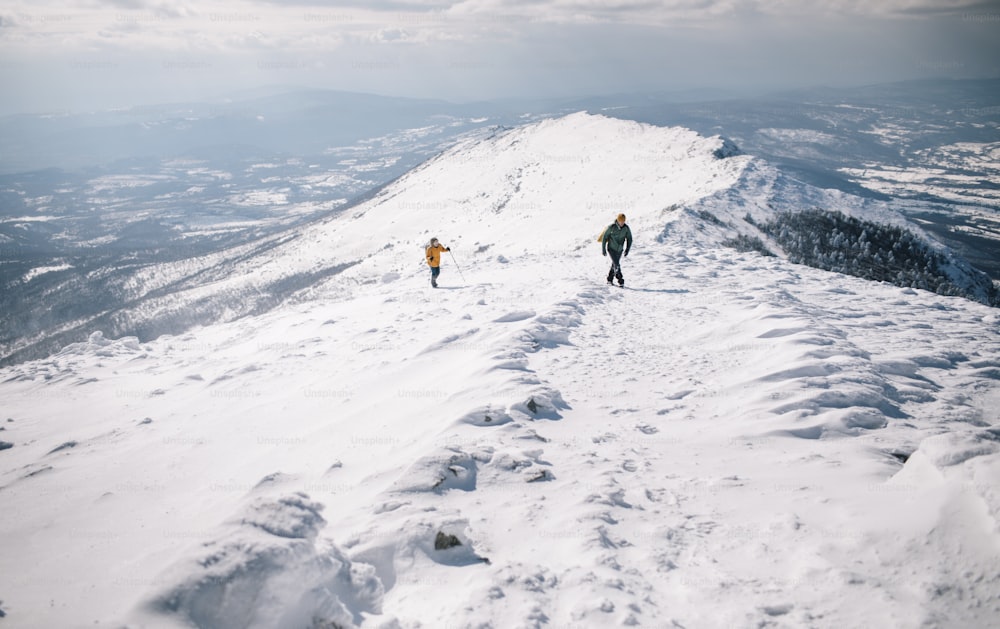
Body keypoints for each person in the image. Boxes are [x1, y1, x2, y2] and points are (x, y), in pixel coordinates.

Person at [601, 213, 633, 286]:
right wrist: (603, 249)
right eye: (620, 221)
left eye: (623, 221)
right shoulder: (612, 227)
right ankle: (620, 279)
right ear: (617, 220)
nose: (622, 223)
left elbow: (630, 239)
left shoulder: (626, 228)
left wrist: (627, 249)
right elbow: (604, 237)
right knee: (617, 264)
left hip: (619, 250)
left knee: (614, 264)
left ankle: (609, 279)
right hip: (611, 248)